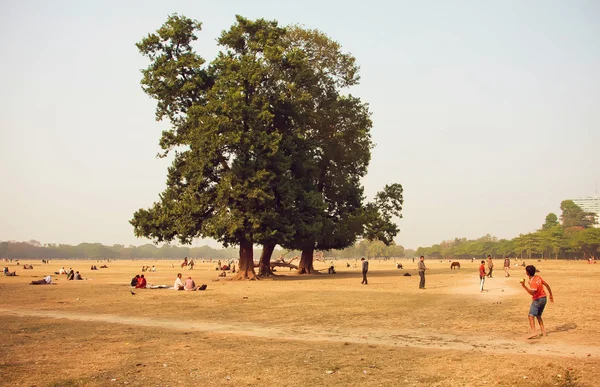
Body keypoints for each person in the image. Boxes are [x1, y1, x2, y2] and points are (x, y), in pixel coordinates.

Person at [520, 265, 554, 338]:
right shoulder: (538, 277)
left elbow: (533, 293)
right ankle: (543, 332)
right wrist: (551, 295)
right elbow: (546, 285)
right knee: (538, 315)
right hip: (544, 298)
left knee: (531, 316)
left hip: (537, 299)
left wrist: (524, 286)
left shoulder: (533, 282)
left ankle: (534, 332)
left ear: (527, 273)